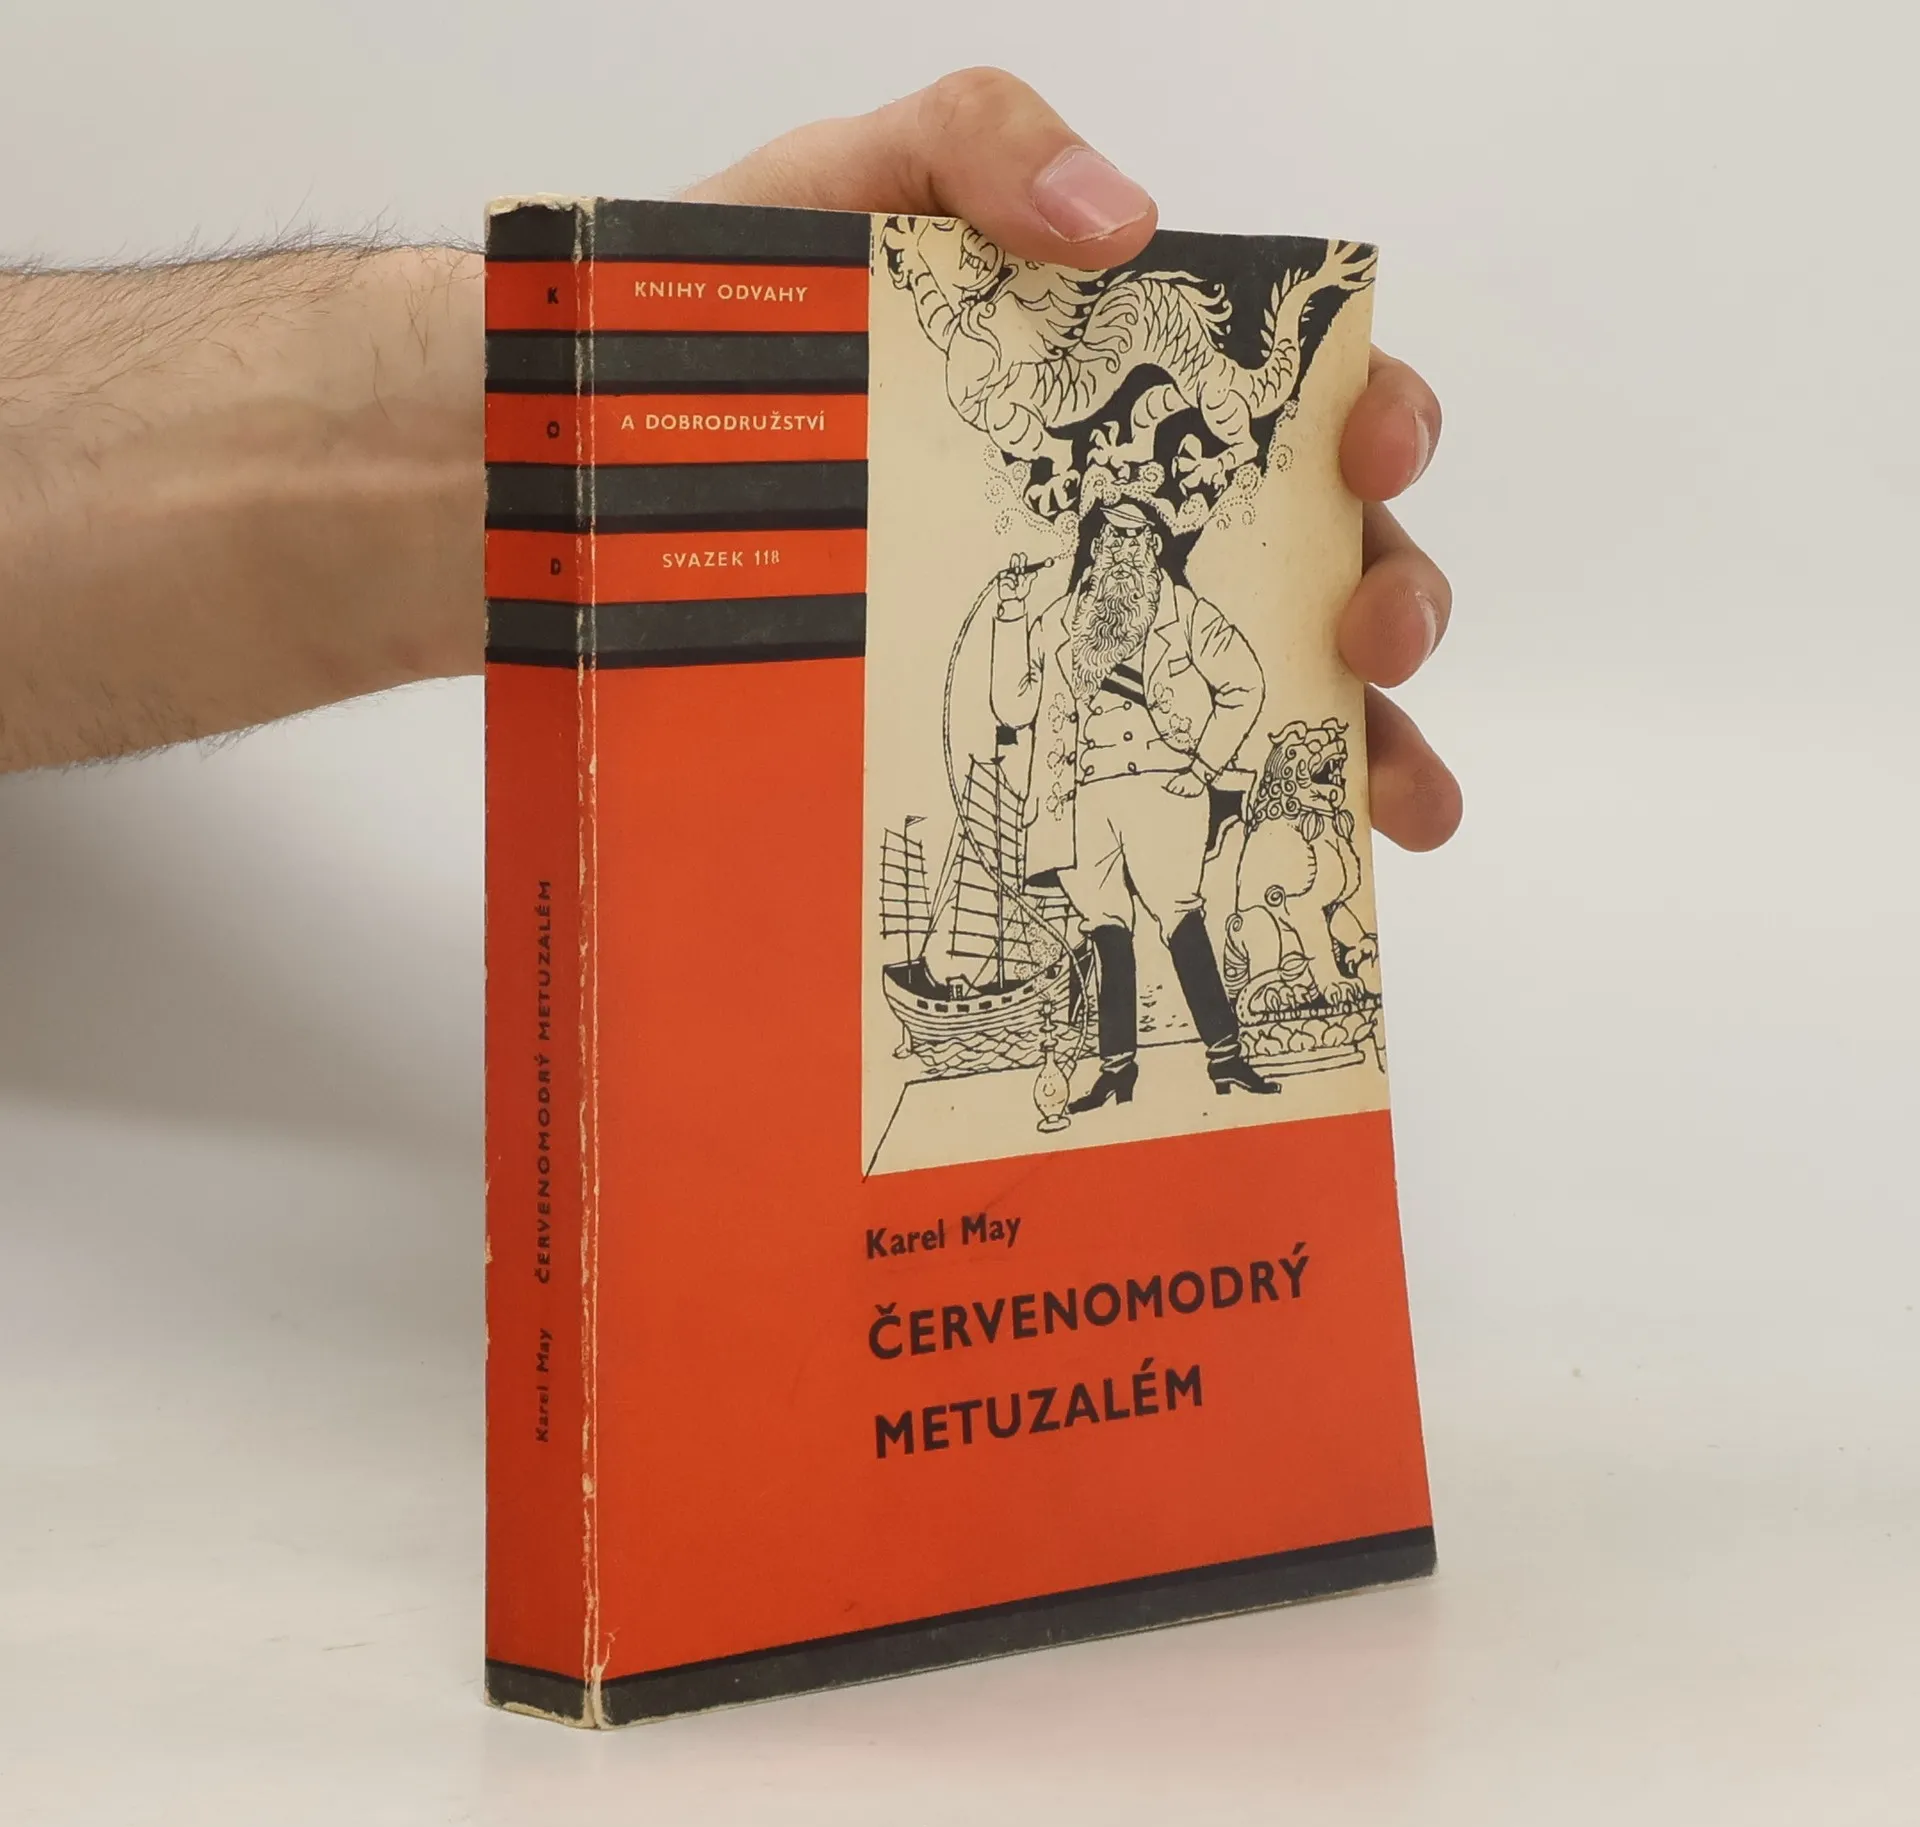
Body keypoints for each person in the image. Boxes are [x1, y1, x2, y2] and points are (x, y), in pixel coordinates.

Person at [0, 67, 1460, 870]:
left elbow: (1200, 679)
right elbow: (1003, 714)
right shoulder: (1032, 608)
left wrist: (578, 400)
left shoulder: (1148, 600)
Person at [993, 496, 1275, 1106]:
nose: (1124, 551)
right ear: (1095, 548)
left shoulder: (1183, 612)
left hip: (1161, 790)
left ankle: (1227, 1057)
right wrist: (1011, 613)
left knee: (1180, 918)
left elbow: (1245, 683)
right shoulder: (1057, 622)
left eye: (1137, 538)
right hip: (1078, 799)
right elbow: (1013, 707)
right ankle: (1117, 1071)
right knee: (1106, 930)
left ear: (1154, 548)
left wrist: (1204, 766)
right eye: (1113, 539)